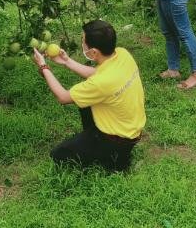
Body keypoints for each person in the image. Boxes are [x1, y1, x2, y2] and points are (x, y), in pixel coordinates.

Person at [32, 20, 145, 172]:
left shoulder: (100, 83)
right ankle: (93, 140)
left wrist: (43, 66)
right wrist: (67, 61)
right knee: (84, 102)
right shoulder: (122, 55)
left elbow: (63, 97)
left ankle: (114, 161)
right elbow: (96, 73)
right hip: (131, 130)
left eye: (83, 41)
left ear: (94, 52)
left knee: (58, 156)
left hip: (117, 141)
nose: (82, 43)